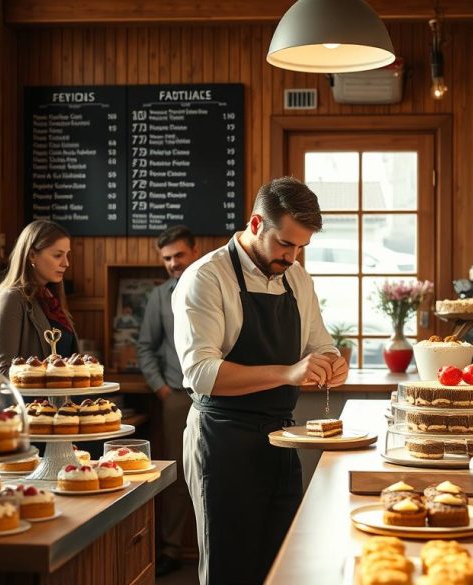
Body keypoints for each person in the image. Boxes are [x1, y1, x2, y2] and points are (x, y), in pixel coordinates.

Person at [173, 177, 349, 584]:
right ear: (255, 224)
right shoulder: (205, 278)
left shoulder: (297, 278)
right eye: (285, 243)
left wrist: (332, 363)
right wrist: (290, 373)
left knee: (282, 567)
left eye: (302, 246)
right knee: (229, 570)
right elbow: (201, 374)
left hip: (281, 439)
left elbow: (321, 345)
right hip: (222, 441)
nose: (293, 256)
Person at [135, 225, 200, 576]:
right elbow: (145, 346)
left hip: (219, 398)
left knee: (218, 471)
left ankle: (218, 549)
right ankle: (173, 550)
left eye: (179, 255)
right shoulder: (160, 297)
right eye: (167, 258)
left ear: (195, 251)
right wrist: (160, 388)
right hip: (175, 397)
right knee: (176, 476)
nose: (174, 263)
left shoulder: (218, 284)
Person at [0, 220, 77, 374]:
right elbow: (2, 372)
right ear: (32, 255)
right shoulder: (10, 300)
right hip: (25, 399)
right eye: (58, 255)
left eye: (66, 255)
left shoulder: (50, 300)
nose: (66, 263)